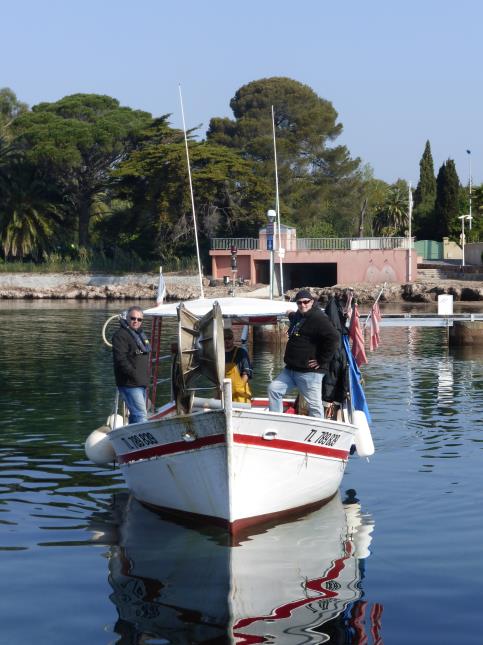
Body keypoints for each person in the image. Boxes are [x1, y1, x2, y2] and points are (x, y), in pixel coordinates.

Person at [268, 290, 339, 417]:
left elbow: (334, 338)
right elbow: (294, 318)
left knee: (314, 405)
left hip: (309, 372)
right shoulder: (299, 316)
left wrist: (322, 360)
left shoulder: (319, 318)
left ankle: (317, 431)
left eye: (306, 302)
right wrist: (289, 313)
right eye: (299, 303)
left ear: (312, 302)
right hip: (290, 370)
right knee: (273, 389)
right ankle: (277, 421)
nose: (303, 305)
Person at [112, 306, 151, 424]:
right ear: (127, 318)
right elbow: (120, 359)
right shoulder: (120, 335)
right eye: (133, 318)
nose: (136, 321)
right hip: (129, 384)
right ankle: (146, 442)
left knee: (135, 416)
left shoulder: (139, 335)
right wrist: (133, 374)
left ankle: (130, 439)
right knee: (141, 415)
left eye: (139, 319)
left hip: (141, 382)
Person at [224, 328, 253, 403]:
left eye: (229, 338)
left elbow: (246, 373)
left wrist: (238, 388)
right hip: (223, 393)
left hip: (239, 395)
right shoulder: (218, 354)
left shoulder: (241, 352)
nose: (227, 340)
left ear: (233, 339)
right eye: (224, 338)